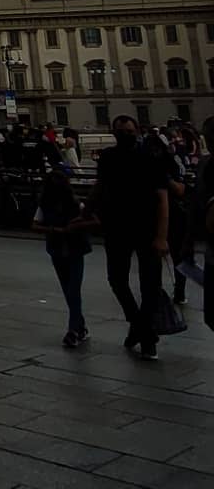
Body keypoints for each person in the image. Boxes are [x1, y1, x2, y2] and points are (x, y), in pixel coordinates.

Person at [90, 114, 168, 361]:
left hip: (146, 227)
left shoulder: (150, 157)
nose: (126, 135)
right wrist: (85, 211)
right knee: (117, 280)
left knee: (150, 286)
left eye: (129, 131)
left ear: (137, 131)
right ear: (114, 133)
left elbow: (162, 199)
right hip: (116, 227)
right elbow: (100, 187)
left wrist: (161, 236)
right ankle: (143, 329)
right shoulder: (108, 157)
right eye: (121, 131)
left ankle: (144, 336)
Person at [34, 165, 94, 348]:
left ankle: (73, 330)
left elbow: (35, 224)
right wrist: (58, 229)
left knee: (71, 289)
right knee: (71, 289)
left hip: (66, 248)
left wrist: (65, 228)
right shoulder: (68, 203)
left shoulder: (70, 204)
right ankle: (80, 326)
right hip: (66, 248)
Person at [144, 126, 189, 305]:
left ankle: (177, 291)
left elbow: (181, 189)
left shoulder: (167, 166)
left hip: (169, 217)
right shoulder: (169, 164)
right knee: (172, 258)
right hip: (171, 217)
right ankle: (170, 291)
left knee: (174, 257)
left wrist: (165, 179)